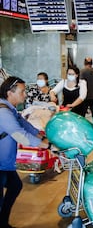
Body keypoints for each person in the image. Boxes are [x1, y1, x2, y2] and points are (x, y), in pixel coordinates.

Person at [0, 77, 50, 228]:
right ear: (10, 93)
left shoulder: (10, 110)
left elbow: (26, 126)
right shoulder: (3, 112)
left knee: (15, 186)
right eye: (22, 91)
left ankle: (3, 222)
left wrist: (44, 137)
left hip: (5, 164)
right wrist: (46, 146)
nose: (25, 95)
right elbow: (19, 134)